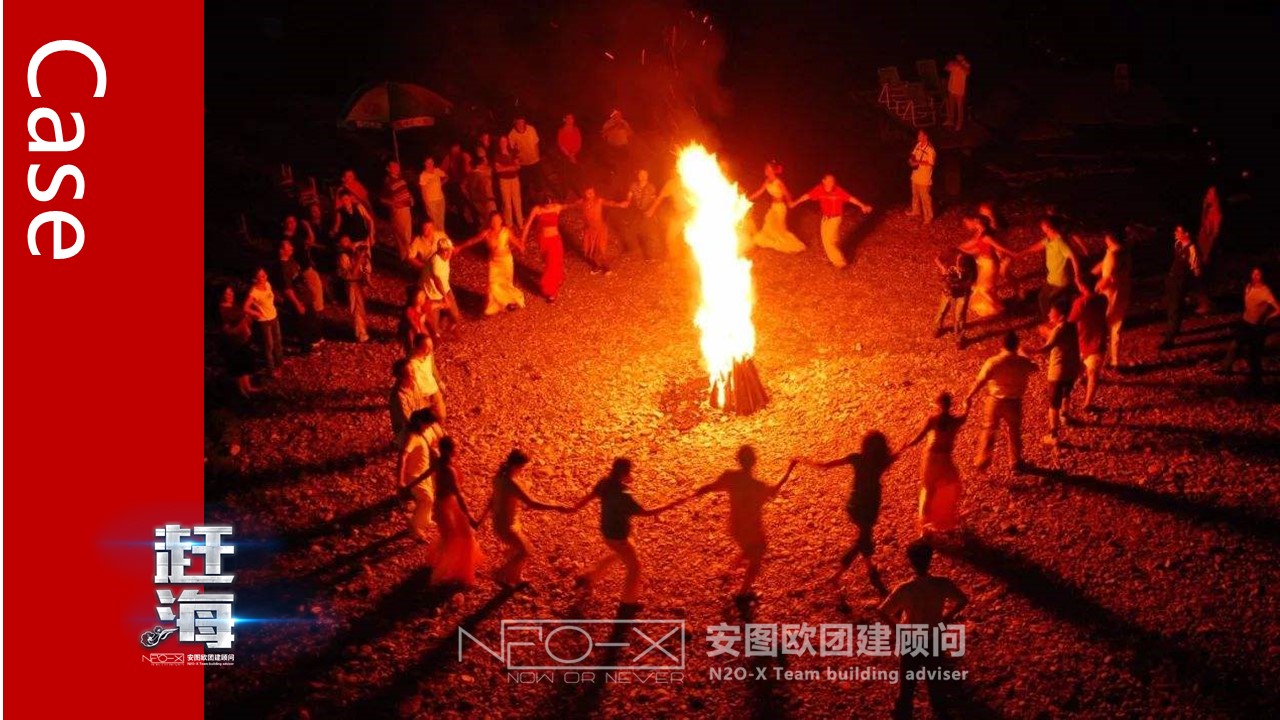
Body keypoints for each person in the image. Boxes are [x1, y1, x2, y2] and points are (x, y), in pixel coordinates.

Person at [568, 458, 682, 608]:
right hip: (618, 536)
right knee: (634, 567)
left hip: (607, 532)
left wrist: (575, 507)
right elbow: (646, 512)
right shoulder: (624, 495)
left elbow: (589, 496)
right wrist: (671, 505)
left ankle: (588, 577)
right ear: (624, 473)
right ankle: (628, 603)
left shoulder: (604, 482)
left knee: (619, 553)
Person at [795, 431, 896, 596]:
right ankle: (838, 575)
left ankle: (870, 568)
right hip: (870, 506)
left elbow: (826, 465)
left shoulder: (856, 458)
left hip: (855, 506)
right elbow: (897, 453)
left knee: (864, 538)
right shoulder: (882, 462)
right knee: (862, 540)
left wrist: (804, 460)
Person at [878, 541, 969, 720]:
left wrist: (897, 629)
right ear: (930, 559)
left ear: (910, 562)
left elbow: (882, 611)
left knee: (907, 684)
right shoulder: (942, 584)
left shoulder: (905, 589)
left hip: (911, 640)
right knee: (936, 683)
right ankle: (940, 713)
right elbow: (962, 600)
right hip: (933, 638)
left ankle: (904, 713)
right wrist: (947, 618)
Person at [691, 447, 796, 601]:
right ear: (754, 462)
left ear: (738, 460)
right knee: (757, 556)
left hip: (735, 526)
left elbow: (710, 487)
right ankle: (743, 593)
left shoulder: (731, 477)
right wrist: (789, 469)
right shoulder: (758, 486)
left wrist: (698, 491)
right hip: (752, 529)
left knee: (752, 548)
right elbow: (775, 488)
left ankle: (731, 569)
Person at [477, 450, 571, 589]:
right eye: (522, 467)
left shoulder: (498, 477)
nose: (522, 470)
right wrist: (557, 507)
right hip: (507, 525)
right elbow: (532, 503)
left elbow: (492, 500)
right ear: (516, 466)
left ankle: (515, 578)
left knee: (518, 549)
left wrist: (481, 519)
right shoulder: (512, 484)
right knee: (526, 550)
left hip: (501, 521)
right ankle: (500, 573)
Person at [897, 393, 968, 537]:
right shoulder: (955, 420)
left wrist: (906, 445)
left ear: (938, 405)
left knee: (929, 490)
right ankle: (943, 519)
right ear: (950, 405)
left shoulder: (933, 419)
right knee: (953, 484)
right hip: (945, 459)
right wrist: (967, 404)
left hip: (931, 457)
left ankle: (924, 528)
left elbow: (919, 437)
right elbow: (965, 416)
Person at [965, 331, 1036, 472]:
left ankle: (982, 461)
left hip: (995, 401)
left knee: (989, 429)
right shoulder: (1023, 362)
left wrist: (970, 395)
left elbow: (981, 381)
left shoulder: (993, 362)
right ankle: (1015, 463)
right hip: (1014, 402)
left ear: (1002, 345)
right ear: (1017, 345)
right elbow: (1034, 368)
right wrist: (1024, 354)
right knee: (1014, 432)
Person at [424, 437, 483, 586]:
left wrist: (410, 484)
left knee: (455, 536)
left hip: (444, 504)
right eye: (455, 448)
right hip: (447, 506)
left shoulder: (438, 462)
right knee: (454, 538)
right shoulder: (449, 470)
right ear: (448, 450)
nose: (457, 450)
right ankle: (445, 572)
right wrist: (470, 516)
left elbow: (426, 474)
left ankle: (451, 566)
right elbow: (459, 494)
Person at [789, 174, 873, 267]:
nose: (831, 183)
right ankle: (833, 259)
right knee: (825, 240)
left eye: (833, 181)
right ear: (823, 181)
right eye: (829, 181)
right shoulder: (819, 189)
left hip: (835, 218)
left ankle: (841, 263)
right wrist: (795, 202)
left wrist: (863, 206)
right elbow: (807, 196)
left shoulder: (838, 191)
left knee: (830, 241)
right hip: (825, 218)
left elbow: (850, 198)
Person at [1028, 302, 1081, 446]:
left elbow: (1046, 348)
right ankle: (1065, 416)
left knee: (1053, 404)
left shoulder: (1058, 330)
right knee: (1066, 393)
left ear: (1061, 316)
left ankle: (1053, 435)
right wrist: (1048, 332)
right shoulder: (1072, 326)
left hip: (1058, 371)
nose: (1049, 315)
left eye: (1052, 313)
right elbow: (1059, 339)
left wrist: (1029, 350)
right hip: (1072, 368)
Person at [456, 212, 527, 315]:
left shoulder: (506, 231)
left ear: (501, 221)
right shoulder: (486, 233)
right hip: (494, 262)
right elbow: (472, 241)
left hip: (506, 261)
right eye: (493, 220)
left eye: (497, 220)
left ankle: (510, 301)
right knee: (493, 284)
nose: (495, 222)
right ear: (490, 222)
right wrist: (460, 247)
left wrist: (520, 246)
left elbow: (516, 242)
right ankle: (496, 304)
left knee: (506, 283)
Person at [1219, 267, 1279, 388]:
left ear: (1262, 276)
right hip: (1244, 324)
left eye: (1258, 274)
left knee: (1254, 355)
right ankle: (1225, 368)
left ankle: (1257, 383)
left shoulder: (1265, 291)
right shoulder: (1248, 287)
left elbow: (1278, 309)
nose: (1256, 276)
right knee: (1234, 346)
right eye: (1254, 274)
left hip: (1256, 328)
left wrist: (1267, 318)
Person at [1019, 216, 1086, 318]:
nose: (1042, 227)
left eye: (1043, 226)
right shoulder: (1049, 239)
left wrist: (1077, 276)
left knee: (1052, 301)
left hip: (1061, 280)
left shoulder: (1060, 242)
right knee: (1043, 297)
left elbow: (1073, 257)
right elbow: (1038, 246)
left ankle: (1055, 320)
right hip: (1052, 278)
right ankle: (1051, 318)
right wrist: (1021, 253)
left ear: (1049, 227)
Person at [397, 408, 445, 543]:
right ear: (420, 422)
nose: (428, 427)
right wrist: (400, 480)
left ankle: (425, 520)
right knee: (426, 499)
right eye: (427, 424)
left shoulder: (421, 434)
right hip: (414, 475)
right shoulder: (412, 437)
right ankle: (415, 528)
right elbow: (403, 456)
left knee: (430, 497)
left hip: (423, 472)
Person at [1161, 224, 1207, 350]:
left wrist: (1192, 285)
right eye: (1175, 230)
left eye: (1178, 231)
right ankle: (1174, 329)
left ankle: (1169, 339)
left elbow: (1196, 269)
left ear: (1187, 234)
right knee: (1172, 306)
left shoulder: (1192, 249)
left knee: (1175, 308)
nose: (1175, 233)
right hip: (1172, 279)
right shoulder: (1178, 243)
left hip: (1181, 281)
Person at [1092, 229, 1132, 370]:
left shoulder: (1113, 254)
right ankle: (1115, 361)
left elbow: (1107, 278)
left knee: (1104, 326)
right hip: (1123, 291)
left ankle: (1100, 360)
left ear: (1110, 239)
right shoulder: (1125, 252)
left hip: (1110, 294)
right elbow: (1104, 265)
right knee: (1116, 327)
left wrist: (1095, 288)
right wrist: (1092, 272)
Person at [958, 214, 1011, 318]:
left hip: (990, 264)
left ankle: (998, 308)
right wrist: (961, 249)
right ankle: (987, 307)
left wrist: (1013, 254)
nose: (976, 225)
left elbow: (1000, 247)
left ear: (984, 225)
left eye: (978, 224)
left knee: (984, 289)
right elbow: (978, 248)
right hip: (982, 261)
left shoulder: (987, 237)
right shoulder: (979, 234)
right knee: (979, 285)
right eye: (976, 223)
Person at [748, 161, 805, 254]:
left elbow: (787, 193)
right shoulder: (767, 181)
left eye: (768, 168)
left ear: (773, 170)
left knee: (780, 229)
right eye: (766, 168)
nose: (766, 170)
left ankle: (793, 245)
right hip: (773, 206)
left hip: (780, 208)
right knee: (769, 225)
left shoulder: (778, 182)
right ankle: (773, 243)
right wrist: (748, 198)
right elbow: (760, 191)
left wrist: (790, 203)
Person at [273, 239, 319, 353]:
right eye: (288, 246)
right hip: (299, 299)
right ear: (281, 250)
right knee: (303, 325)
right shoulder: (282, 268)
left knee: (311, 321)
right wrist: (297, 304)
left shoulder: (292, 261)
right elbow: (287, 289)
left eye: (291, 245)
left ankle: (311, 343)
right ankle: (305, 349)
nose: (292, 248)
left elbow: (300, 277)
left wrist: (311, 290)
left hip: (305, 296)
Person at [1069, 285, 1109, 411]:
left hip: (1083, 341)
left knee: (1088, 371)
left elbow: (1071, 320)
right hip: (1098, 341)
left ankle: (1087, 403)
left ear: (1082, 285)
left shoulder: (1080, 302)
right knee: (1092, 374)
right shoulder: (1103, 299)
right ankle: (1088, 403)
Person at [521, 198, 568, 301]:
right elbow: (528, 224)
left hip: (555, 240)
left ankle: (551, 291)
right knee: (549, 262)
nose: (548, 206)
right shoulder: (537, 209)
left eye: (550, 204)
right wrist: (522, 241)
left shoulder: (557, 207)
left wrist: (581, 202)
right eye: (546, 205)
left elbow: (569, 206)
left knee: (553, 263)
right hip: (544, 241)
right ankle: (556, 279)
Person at [218, 284, 258, 397]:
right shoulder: (222, 309)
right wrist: (240, 327)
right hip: (234, 342)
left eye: (231, 292)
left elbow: (244, 315)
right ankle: (242, 391)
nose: (230, 295)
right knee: (238, 366)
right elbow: (226, 329)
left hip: (244, 339)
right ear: (222, 295)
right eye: (226, 293)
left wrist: (247, 320)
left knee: (246, 362)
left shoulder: (234, 305)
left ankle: (248, 387)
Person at [244, 268, 284, 376]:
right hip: (264, 321)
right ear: (255, 279)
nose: (264, 277)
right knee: (269, 345)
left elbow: (269, 298)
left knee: (278, 340)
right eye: (261, 276)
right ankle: (271, 370)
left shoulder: (267, 284)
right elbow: (245, 307)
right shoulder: (254, 292)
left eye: (264, 274)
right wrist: (256, 313)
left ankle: (280, 363)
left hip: (274, 316)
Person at [934, 249, 977, 347]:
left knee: (960, 315)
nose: (961, 272)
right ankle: (937, 328)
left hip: (963, 291)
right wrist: (943, 268)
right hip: (948, 288)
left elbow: (972, 280)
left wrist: (961, 285)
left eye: (963, 270)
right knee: (942, 310)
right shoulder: (950, 253)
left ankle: (959, 339)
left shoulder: (971, 262)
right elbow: (937, 259)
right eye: (960, 268)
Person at [578, 187, 624, 274]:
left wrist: (619, 204)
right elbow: (571, 205)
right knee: (589, 250)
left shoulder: (598, 201)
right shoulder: (582, 202)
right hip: (589, 230)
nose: (590, 194)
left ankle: (607, 268)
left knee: (600, 249)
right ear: (585, 194)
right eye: (588, 193)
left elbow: (610, 203)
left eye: (592, 192)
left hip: (599, 229)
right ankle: (597, 266)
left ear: (594, 193)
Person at [335, 235, 371, 343]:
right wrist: (359, 258)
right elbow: (352, 274)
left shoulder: (355, 252)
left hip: (359, 284)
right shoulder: (343, 257)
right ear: (340, 246)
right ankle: (360, 334)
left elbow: (364, 269)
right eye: (344, 242)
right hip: (352, 284)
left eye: (348, 240)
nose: (348, 243)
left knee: (361, 308)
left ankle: (363, 331)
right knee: (356, 309)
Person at [648, 175, 692, 260]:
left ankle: (691, 261)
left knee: (693, 239)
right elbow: (660, 197)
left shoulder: (692, 179)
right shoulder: (671, 184)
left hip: (693, 213)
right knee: (670, 238)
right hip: (679, 214)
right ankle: (676, 259)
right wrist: (651, 209)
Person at [620, 169, 660, 260]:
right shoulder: (633, 185)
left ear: (647, 176)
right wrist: (627, 201)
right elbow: (629, 195)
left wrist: (652, 210)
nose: (642, 176)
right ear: (638, 176)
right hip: (636, 210)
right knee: (630, 230)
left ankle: (650, 255)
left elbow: (655, 200)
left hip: (647, 211)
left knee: (648, 233)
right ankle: (634, 251)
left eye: (644, 174)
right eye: (641, 174)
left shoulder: (651, 187)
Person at [407, 332, 447, 421]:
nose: (430, 350)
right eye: (426, 348)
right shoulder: (410, 363)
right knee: (427, 421)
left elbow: (433, 368)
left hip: (433, 389)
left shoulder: (429, 354)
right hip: (421, 395)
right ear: (417, 348)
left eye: (431, 346)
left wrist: (439, 381)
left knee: (441, 416)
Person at [425, 239, 463, 332]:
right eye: (447, 251)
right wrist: (445, 297)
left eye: (450, 250)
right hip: (433, 293)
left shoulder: (446, 257)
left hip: (445, 289)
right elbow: (437, 282)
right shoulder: (435, 262)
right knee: (433, 325)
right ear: (441, 251)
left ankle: (448, 323)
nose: (450, 253)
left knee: (455, 316)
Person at [381, 160, 415, 260]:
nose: (397, 168)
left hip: (406, 207)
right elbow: (382, 199)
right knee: (401, 232)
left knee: (408, 231)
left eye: (397, 166)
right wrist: (394, 204)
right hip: (399, 210)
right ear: (388, 169)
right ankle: (404, 256)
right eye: (394, 166)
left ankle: (408, 255)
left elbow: (405, 189)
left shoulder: (401, 178)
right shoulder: (388, 181)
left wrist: (411, 197)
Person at [407, 219, 449, 293]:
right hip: (429, 271)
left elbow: (449, 247)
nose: (429, 230)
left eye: (431, 227)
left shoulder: (440, 235)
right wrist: (422, 266)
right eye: (426, 228)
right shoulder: (417, 241)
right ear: (421, 229)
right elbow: (410, 257)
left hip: (442, 267)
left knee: (444, 289)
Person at [389, 358, 425, 444]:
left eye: (413, 370)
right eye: (410, 372)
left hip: (420, 423)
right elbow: (407, 419)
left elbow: (422, 404)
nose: (414, 374)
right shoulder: (398, 396)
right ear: (401, 377)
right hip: (407, 430)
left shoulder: (414, 384)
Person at [508, 116, 542, 202]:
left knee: (538, 183)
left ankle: (540, 201)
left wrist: (537, 156)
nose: (520, 124)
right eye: (518, 122)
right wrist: (516, 161)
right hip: (523, 164)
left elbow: (536, 143)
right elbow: (511, 150)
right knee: (525, 185)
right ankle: (528, 203)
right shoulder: (512, 134)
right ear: (515, 123)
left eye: (522, 122)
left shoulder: (531, 129)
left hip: (534, 161)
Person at [493, 136, 524, 230]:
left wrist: (504, 167)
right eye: (501, 141)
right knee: (507, 203)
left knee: (517, 202)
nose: (503, 143)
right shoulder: (497, 155)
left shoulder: (513, 153)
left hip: (514, 179)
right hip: (504, 181)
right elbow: (498, 170)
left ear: (507, 142)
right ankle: (509, 225)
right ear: (499, 143)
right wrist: (511, 167)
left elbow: (518, 167)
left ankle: (520, 224)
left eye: (505, 141)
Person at [907, 130, 936, 225]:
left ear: (926, 137)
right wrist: (911, 160)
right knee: (915, 195)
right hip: (915, 176)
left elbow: (931, 163)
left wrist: (918, 162)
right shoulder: (918, 145)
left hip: (924, 178)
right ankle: (916, 211)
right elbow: (913, 154)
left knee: (925, 199)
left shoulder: (930, 150)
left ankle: (928, 217)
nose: (918, 136)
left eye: (920, 135)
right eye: (918, 135)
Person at [400, 286, 438, 352]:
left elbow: (433, 305)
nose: (422, 299)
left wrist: (444, 304)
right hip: (414, 332)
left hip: (422, 329)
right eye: (419, 297)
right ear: (412, 299)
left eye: (423, 296)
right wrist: (420, 335)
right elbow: (414, 326)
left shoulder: (424, 305)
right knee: (415, 347)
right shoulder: (409, 311)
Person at [463, 153, 498, 220]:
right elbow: (484, 189)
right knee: (490, 220)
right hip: (484, 202)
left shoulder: (472, 176)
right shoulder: (479, 176)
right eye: (483, 164)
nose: (485, 166)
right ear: (478, 165)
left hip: (480, 202)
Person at [419, 157, 448, 230]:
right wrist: (426, 203)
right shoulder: (423, 175)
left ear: (433, 162)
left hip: (440, 199)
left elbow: (446, 176)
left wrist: (441, 183)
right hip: (431, 201)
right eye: (428, 162)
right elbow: (423, 191)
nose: (430, 164)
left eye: (431, 162)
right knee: (434, 221)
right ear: (425, 164)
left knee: (441, 219)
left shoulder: (437, 170)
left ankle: (441, 234)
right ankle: (436, 235)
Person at [943, 54, 971, 131]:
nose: (958, 57)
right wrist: (949, 64)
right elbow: (946, 68)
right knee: (951, 106)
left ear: (963, 56)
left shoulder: (966, 64)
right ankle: (950, 121)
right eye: (957, 56)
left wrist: (960, 65)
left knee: (959, 108)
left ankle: (959, 123)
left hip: (959, 90)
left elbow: (968, 72)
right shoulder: (954, 63)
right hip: (951, 88)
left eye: (959, 56)